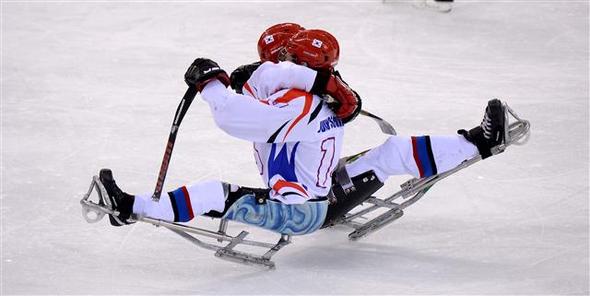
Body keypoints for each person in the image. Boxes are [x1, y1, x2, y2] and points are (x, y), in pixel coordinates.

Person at [100, 26, 506, 236]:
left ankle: (129, 209)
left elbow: (234, 117)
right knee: (392, 151)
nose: (278, 61)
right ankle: (480, 143)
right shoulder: (312, 96)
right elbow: (282, 91)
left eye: (287, 57)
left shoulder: (301, 105)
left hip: (300, 213)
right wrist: (248, 78)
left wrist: (212, 84)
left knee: (211, 193)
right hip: (322, 191)